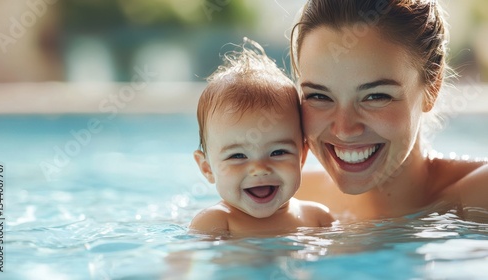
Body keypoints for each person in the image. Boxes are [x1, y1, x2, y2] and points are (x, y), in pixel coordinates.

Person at [290, 0, 488, 222]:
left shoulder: (480, 195)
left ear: (433, 88)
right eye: (319, 96)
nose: (344, 130)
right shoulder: (284, 200)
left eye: (375, 96)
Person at [189, 38, 334, 235]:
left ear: (302, 157)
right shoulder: (215, 223)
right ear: (207, 169)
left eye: (278, 152)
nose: (259, 169)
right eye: (237, 156)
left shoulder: (318, 219)